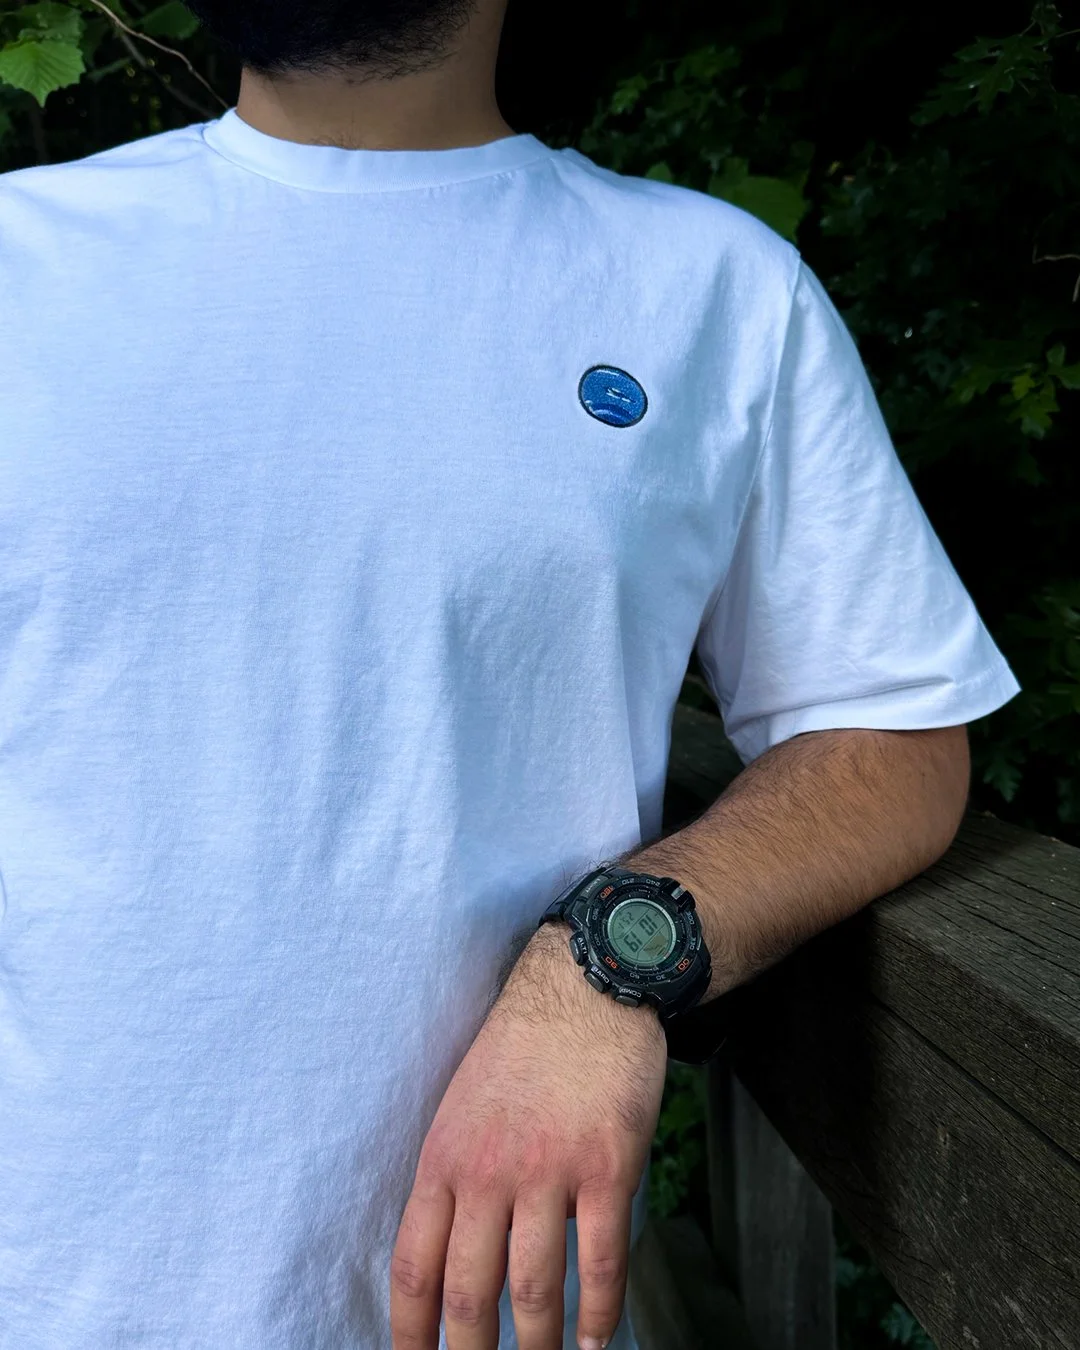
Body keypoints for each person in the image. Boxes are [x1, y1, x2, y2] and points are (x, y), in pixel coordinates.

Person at [0, 0, 1020, 1346]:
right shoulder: (24, 257)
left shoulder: (711, 286)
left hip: (500, 1314)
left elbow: (897, 738)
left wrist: (607, 962)